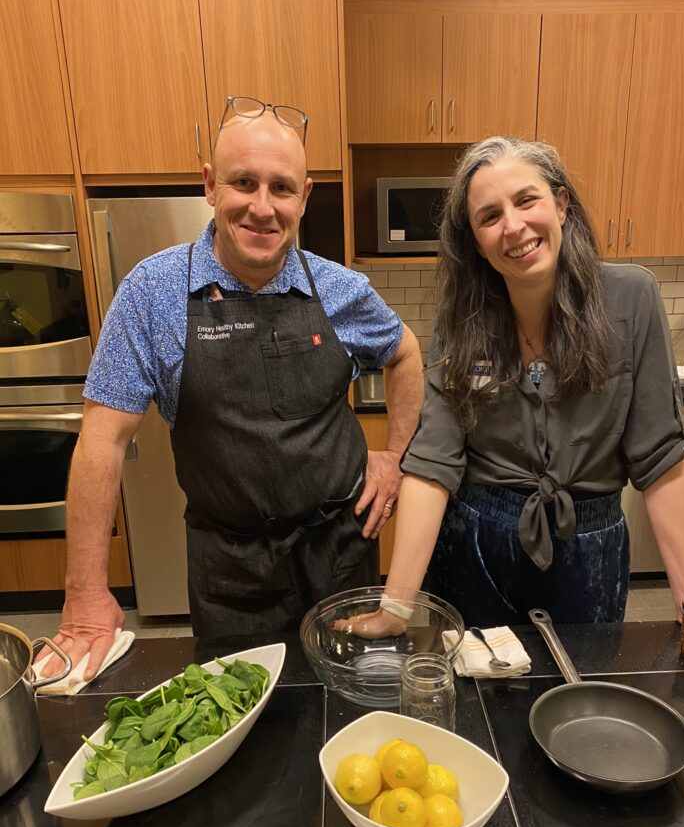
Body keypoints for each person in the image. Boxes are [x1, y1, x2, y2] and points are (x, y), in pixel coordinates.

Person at [36, 97, 423, 679]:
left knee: (350, 709)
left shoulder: (342, 290)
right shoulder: (152, 292)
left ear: (305, 196)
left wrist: (394, 456)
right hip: (231, 568)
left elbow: (406, 353)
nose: (262, 208)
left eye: (281, 188)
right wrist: (85, 591)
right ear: (211, 186)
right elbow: (103, 441)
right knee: (243, 728)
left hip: (340, 553)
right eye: (244, 182)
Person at [344, 136, 684, 634]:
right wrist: (396, 609)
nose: (513, 227)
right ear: (475, 240)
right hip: (476, 544)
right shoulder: (463, 320)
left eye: (526, 200)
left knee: (582, 701)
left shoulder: (632, 299)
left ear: (561, 204)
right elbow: (432, 464)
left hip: (591, 548)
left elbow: (661, 457)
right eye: (489, 216)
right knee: (476, 698)